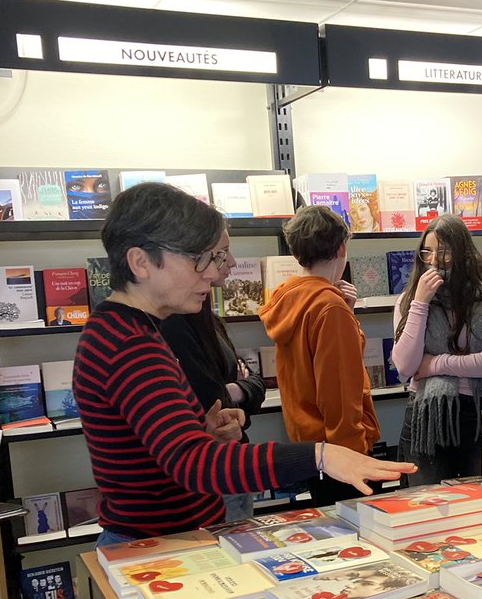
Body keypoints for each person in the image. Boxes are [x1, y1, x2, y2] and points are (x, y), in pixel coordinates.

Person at [71, 183, 412, 543]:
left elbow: (155, 451)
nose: (218, 270)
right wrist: (320, 456)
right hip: (156, 544)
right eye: (200, 258)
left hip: (172, 536)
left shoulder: (135, 330)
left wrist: (202, 430)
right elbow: (193, 463)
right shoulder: (128, 343)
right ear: (141, 262)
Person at [260, 205, 381, 507]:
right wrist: (354, 453)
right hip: (340, 453)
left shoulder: (288, 297)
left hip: (310, 446)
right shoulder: (328, 307)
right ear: (341, 247)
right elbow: (339, 390)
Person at [391, 214, 482, 485]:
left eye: (444, 253)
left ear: (462, 253)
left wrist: (435, 364)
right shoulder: (408, 300)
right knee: (427, 507)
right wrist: (420, 303)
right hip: (428, 417)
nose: (434, 262)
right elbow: (405, 367)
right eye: (427, 252)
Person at [161, 234, 267, 521]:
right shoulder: (172, 324)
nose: (230, 262)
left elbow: (255, 380)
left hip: (229, 465)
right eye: (221, 254)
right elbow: (212, 403)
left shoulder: (205, 315)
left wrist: (237, 391)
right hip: (210, 478)